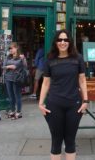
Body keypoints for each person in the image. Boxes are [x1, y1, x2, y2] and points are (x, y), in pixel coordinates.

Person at [39, 29, 88, 160]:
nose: (62, 42)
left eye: (65, 40)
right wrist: (40, 103)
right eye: (60, 40)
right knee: (56, 142)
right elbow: (45, 83)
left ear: (70, 42)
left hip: (74, 105)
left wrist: (86, 101)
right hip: (54, 105)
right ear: (56, 42)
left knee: (70, 141)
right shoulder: (50, 59)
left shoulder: (77, 58)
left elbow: (82, 80)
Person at [3, 42, 26, 120]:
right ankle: (13, 111)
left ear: (16, 48)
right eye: (10, 48)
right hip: (8, 78)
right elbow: (3, 66)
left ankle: (19, 112)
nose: (11, 50)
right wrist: (10, 66)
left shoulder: (21, 57)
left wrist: (23, 60)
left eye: (12, 48)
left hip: (17, 79)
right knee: (11, 96)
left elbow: (24, 66)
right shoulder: (8, 57)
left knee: (17, 96)